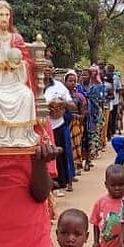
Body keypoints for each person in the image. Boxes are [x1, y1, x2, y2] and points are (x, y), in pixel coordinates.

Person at [0, 0, 43, 148]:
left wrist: (18, 64)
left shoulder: (16, 38)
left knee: (26, 95)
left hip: (14, 81)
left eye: (7, 14)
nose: (4, 18)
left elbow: (28, 62)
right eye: (1, 15)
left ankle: (19, 136)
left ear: (10, 17)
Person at [44, 61, 76, 193]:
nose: (47, 69)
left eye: (50, 67)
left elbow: (73, 105)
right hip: (39, 127)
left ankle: (59, 183)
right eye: (44, 66)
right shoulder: (31, 84)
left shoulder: (59, 86)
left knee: (59, 155)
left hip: (57, 125)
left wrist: (62, 103)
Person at [64, 70, 87, 172]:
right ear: (65, 82)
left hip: (76, 126)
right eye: (70, 81)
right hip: (64, 125)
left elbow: (84, 114)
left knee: (76, 145)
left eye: (74, 81)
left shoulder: (80, 97)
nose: (72, 83)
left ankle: (77, 165)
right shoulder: (62, 96)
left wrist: (74, 116)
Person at [85, 65, 107, 163]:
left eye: (94, 71)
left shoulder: (100, 86)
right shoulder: (84, 86)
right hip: (86, 112)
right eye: (91, 72)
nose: (92, 73)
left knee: (95, 132)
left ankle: (94, 152)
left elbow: (101, 100)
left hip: (96, 111)